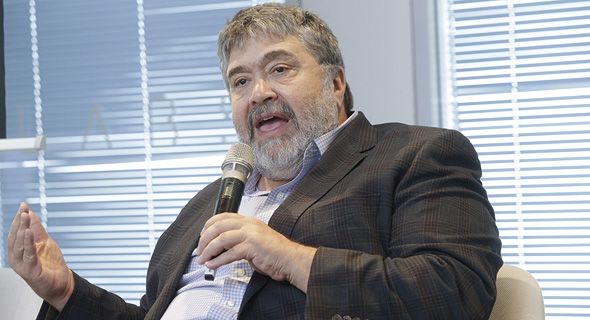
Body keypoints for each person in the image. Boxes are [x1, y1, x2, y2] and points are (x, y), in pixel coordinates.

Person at [7, 3, 502, 319]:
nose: (258, 92)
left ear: (335, 83)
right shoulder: (208, 204)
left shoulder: (415, 155)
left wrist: (289, 258)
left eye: (280, 68)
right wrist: (67, 291)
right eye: (240, 81)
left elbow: (454, 290)